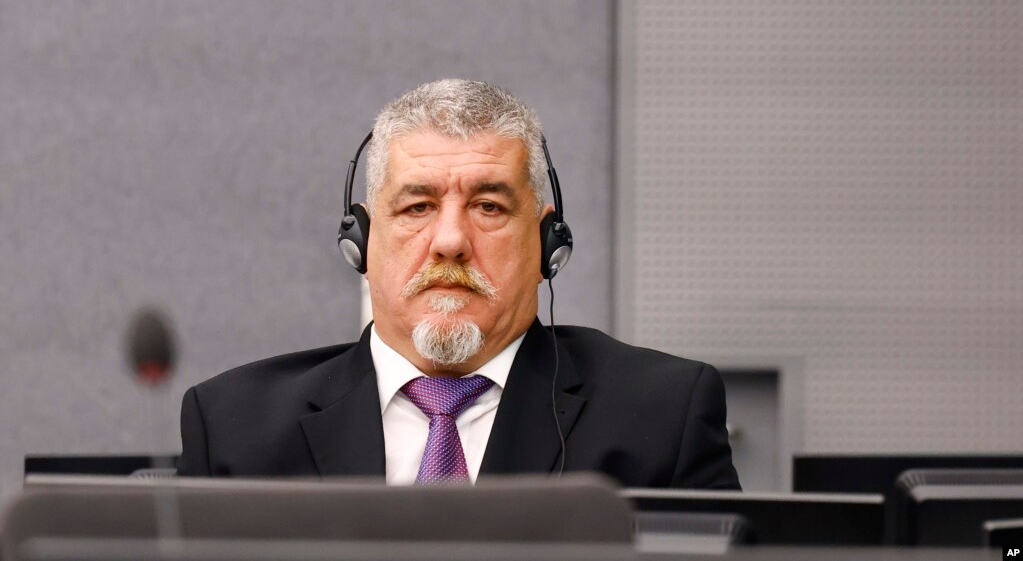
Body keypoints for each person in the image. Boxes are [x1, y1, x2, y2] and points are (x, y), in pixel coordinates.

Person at [177, 79, 740, 489]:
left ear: (546, 243)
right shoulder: (232, 429)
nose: (450, 240)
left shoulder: (662, 416)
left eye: (489, 206)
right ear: (362, 241)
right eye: (417, 206)